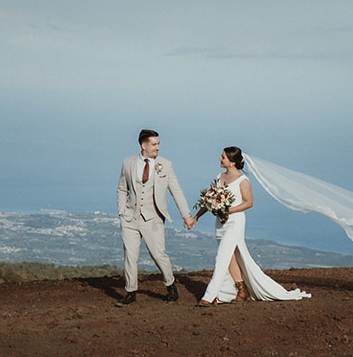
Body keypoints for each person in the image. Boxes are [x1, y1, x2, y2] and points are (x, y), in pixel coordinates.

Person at [191, 146, 311, 305]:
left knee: (221, 257)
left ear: (232, 162)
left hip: (235, 222)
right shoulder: (219, 177)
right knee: (230, 257)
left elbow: (249, 203)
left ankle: (209, 296)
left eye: (223, 157)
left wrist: (229, 210)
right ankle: (242, 290)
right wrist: (196, 217)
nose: (220, 159)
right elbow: (209, 201)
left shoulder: (243, 181)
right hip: (221, 223)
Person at [116, 129, 194, 306]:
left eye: (158, 144)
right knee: (130, 256)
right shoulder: (128, 163)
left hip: (153, 218)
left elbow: (176, 191)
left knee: (158, 254)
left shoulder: (165, 165)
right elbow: (122, 188)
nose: (158, 147)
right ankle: (130, 291)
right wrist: (122, 210)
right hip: (130, 218)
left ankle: (170, 284)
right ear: (143, 145)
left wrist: (186, 215)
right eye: (154, 144)